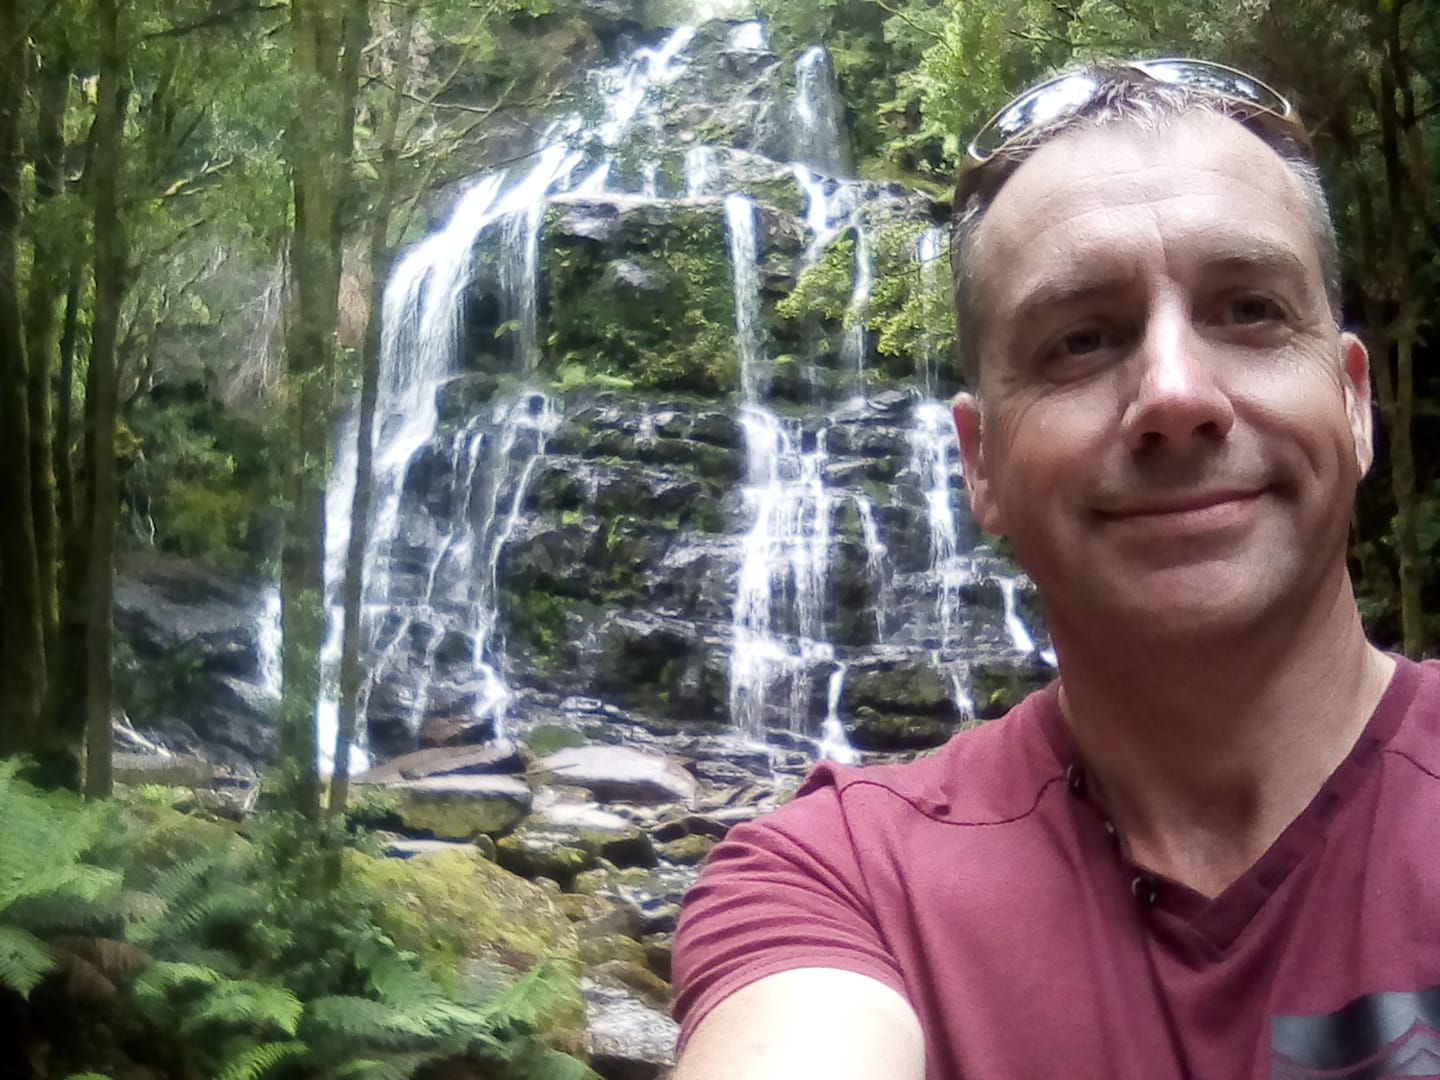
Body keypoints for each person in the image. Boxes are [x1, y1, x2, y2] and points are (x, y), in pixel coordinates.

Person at [669, 58, 1440, 1079]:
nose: (1175, 392)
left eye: (1249, 310)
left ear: (1355, 403)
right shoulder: (841, 884)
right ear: (978, 463)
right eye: (1082, 339)